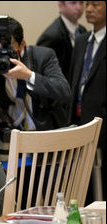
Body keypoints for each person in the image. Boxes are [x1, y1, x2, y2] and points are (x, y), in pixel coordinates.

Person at [0, 16, 71, 132]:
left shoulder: (43, 56)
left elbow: (64, 91)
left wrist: (29, 76)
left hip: (43, 130)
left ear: (22, 44)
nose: (3, 54)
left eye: (8, 49)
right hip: (11, 131)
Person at [68, 1, 105, 203]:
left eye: (96, 4)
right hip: (81, 121)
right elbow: (75, 83)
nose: (89, 9)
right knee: (85, 186)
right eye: (87, 4)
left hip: (102, 123)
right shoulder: (82, 41)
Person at [37, 1, 87, 79]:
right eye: (73, 3)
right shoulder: (51, 36)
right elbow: (41, 72)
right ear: (61, 5)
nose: (79, 7)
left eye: (81, 3)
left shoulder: (83, 31)